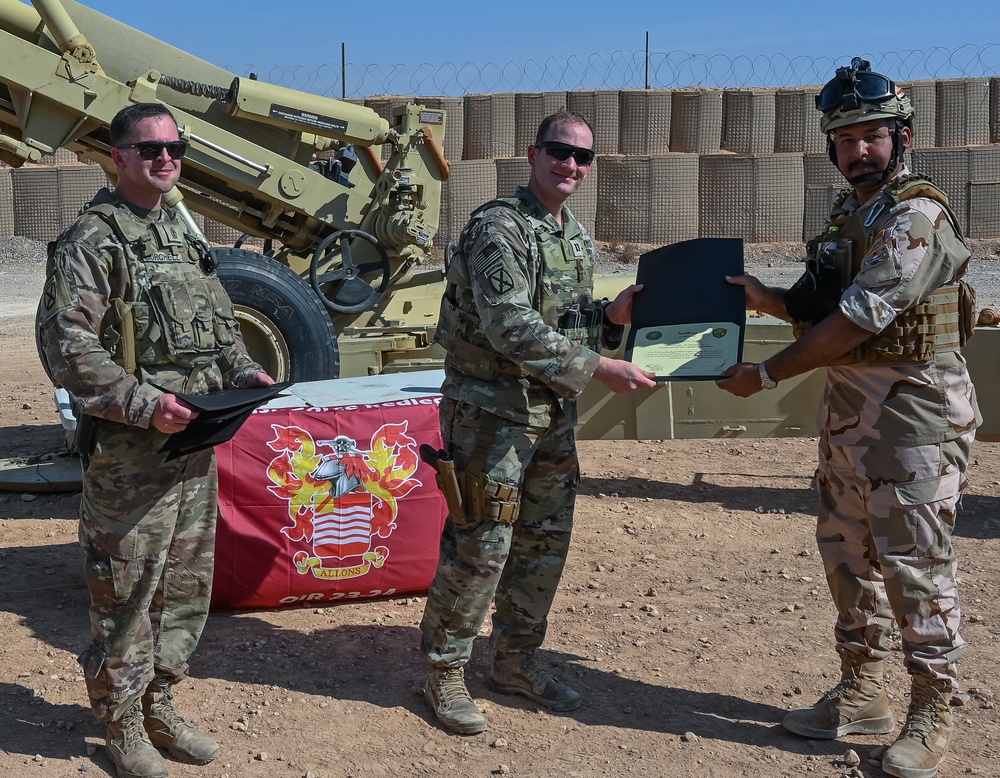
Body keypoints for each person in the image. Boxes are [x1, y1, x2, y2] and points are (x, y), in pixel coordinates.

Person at [717, 59, 979, 778]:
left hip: (914, 424)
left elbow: (855, 322)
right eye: (846, 139)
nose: (859, 150)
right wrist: (759, 297)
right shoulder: (850, 215)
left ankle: (931, 710)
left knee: (915, 564)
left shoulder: (914, 215)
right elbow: (816, 302)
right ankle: (862, 692)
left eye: (872, 136)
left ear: (903, 135)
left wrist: (767, 374)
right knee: (846, 554)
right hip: (852, 419)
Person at [36, 103, 273, 778]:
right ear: (119, 157)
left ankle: (160, 703)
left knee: (183, 587)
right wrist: (144, 404)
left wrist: (243, 370)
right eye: (150, 149)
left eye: (175, 147)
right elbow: (67, 349)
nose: (166, 158)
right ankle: (121, 720)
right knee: (127, 592)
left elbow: (218, 325)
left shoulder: (177, 230)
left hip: (193, 446)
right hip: (132, 457)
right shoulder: (92, 240)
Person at [419, 110, 657, 735]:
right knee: (480, 543)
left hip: (549, 412)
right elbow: (507, 325)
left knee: (543, 542)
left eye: (583, 158)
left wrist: (612, 316)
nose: (570, 165)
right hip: (491, 414)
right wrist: (598, 365)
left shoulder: (572, 235)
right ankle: (444, 672)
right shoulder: (500, 228)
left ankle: (516, 662)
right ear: (533, 153)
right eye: (559, 151)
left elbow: (565, 320)